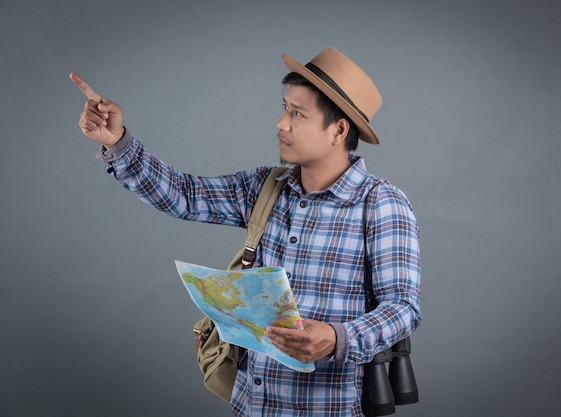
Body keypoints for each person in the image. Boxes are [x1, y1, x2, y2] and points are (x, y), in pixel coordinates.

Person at [70, 47, 421, 416]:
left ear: (338, 130)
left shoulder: (381, 204)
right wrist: (117, 142)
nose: (281, 123)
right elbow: (185, 196)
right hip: (251, 405)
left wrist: (337, 338)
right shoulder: (265, 187)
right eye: (285, 107)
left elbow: (403, 308)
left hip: (327, 407)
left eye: (297, 113)